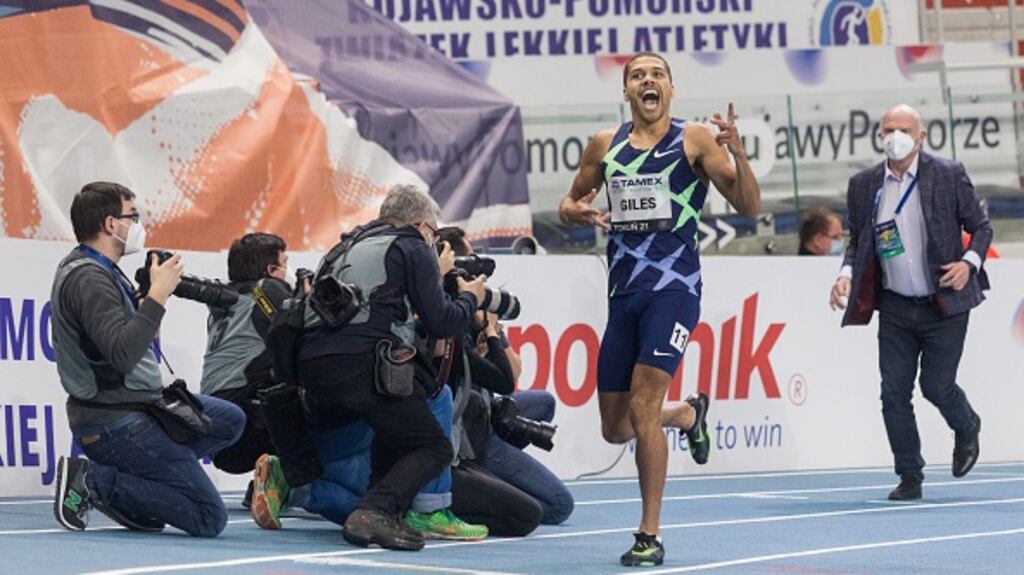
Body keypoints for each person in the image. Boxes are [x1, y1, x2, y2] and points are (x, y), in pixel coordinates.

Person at [559, 52, 761, 567]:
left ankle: (649, 533)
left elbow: (749, 208)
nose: (648, 81)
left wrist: (738, 153)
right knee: (614, 426)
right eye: (637, 76)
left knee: (643, 406)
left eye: (657, 75)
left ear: (671, 88)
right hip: (623, 296)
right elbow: (568, 202)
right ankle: (688, 413)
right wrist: (576, 210)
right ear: (626, 91)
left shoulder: (694, 140)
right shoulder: (605, 145)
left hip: (674, 292)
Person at [292, 184, 488, 551]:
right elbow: (443, 321)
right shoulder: (411, 245)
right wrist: (468, 297)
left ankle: (378, 513)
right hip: (365, 364)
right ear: (419, 224)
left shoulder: (343, 248)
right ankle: (374, 511)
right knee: (433, 448)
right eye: (433, 232)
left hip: (313, 369)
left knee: (393, 432)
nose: (433, 241)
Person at [51, 181, 245, 536]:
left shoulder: (105, 271)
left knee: (230, 419)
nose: (138, 225)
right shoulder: (89, 279)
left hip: (139, 404)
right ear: (111, 224)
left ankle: (142, 488)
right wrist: (156, 297)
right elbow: (123, 356)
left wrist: (153, 305)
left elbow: (130, 342)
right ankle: (94, 481)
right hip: (113, 418)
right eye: (133, 216)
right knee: (208, 518)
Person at [829, 104, 991, 501]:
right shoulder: (865, 184)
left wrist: (969, 263)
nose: (894, 136)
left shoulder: (948, 174)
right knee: (893, 392)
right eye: (887, 129)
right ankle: (910, 475)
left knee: (936, 386)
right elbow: (859, 242)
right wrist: (845, 274)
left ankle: (967, 425)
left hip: (944, 302)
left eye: (903, 129)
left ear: (921, 137)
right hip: (897, 305)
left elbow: (982, 227)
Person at [437, 226, 575, 527]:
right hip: (468, 433)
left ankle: (497, 476)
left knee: (543, 402)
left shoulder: (478, 309)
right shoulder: (448, 314)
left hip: (482, 411)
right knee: (559, 506)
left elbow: (513, 371)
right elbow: (503, 382)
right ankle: (491, 483)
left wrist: (492, 330)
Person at [200, 233, 293, 479]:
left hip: (215, 428)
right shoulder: (267, 289)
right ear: (271, 269)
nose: (288, 272)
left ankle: (270, 481)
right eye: (285, 264)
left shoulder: (224, 302)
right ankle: (291, 485)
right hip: (248, 423)